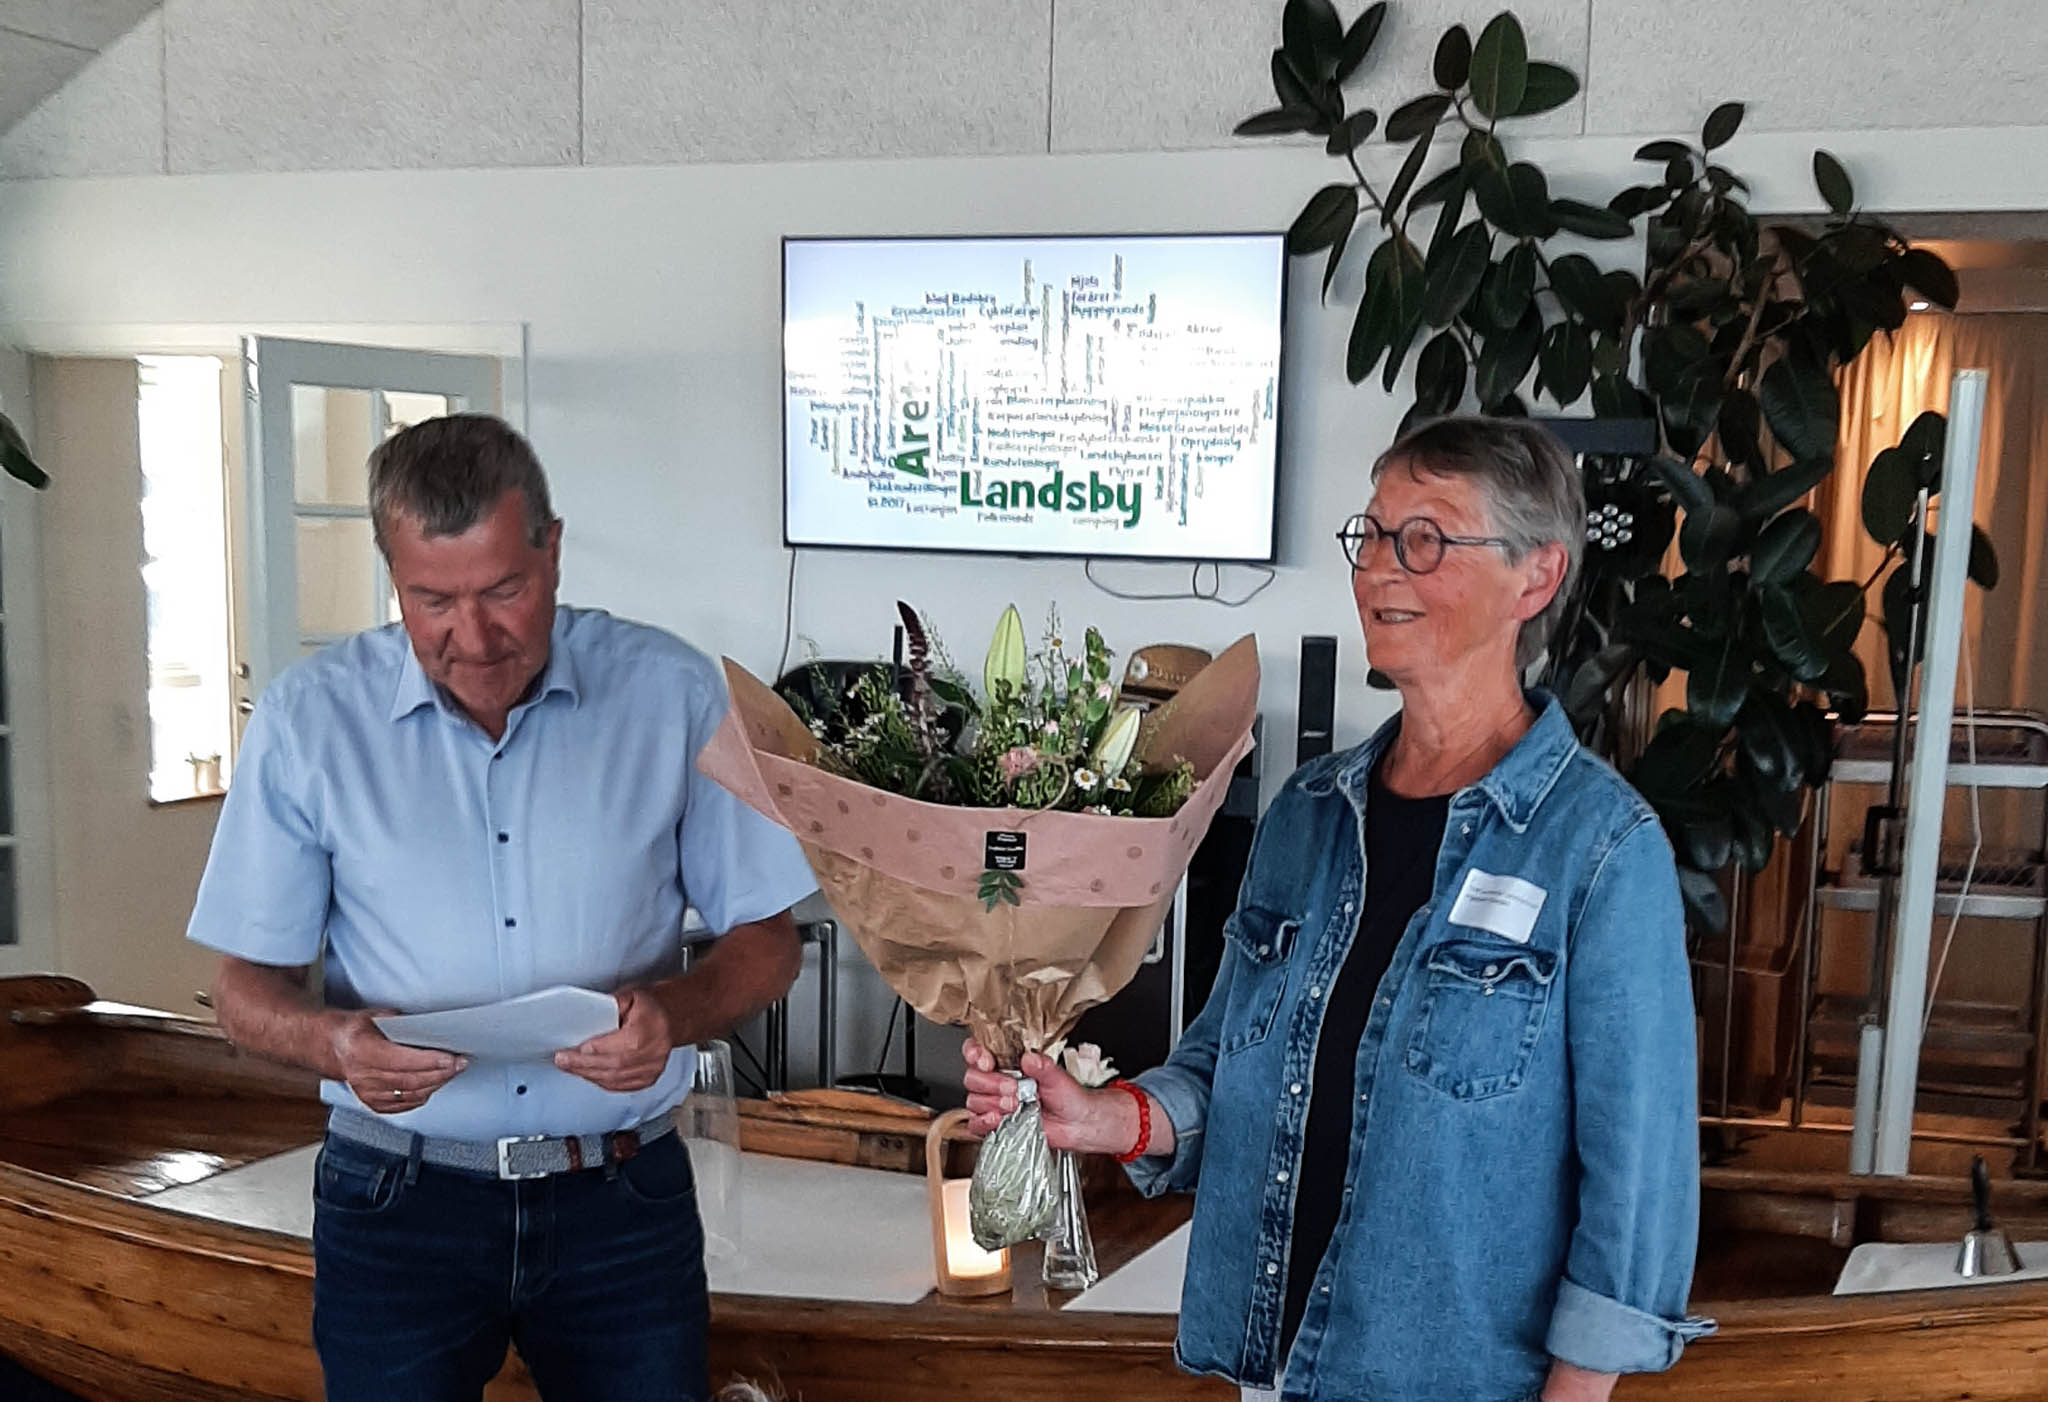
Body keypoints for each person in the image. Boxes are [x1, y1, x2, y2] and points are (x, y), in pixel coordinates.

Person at [966, 416, 1710, 1401]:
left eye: (1425, 538)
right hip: (1276, 1369)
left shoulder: (1601, 850)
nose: (1378, 569)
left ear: (1535, 577)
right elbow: (1224, 1072)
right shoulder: (1306, 816)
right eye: (1372, 534)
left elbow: (1637, 1193)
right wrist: (1106, 1117)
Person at [189, 414, 818, 1402]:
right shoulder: (308, 721)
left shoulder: (673, 693)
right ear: (392, 575)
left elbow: (768, 944)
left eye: (504, 591)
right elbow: (240, 992)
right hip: (396, 1203)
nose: (473, 637)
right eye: (432, 600)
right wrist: (336, 1045)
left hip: (622, 1199)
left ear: (552, 550)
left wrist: (671, 1017)